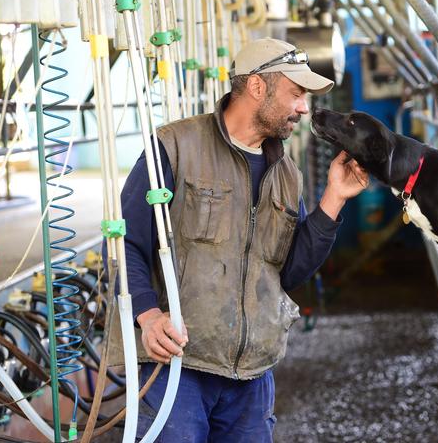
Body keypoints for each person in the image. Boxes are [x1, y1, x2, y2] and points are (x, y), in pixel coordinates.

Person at [121, 38, 368, 442]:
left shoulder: (286, 174)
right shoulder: (175, 147)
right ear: (257, 87)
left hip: (251, 374)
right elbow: (126, 242)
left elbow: (288, 271)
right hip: (179, 366)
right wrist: (147, 316)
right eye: (296, 93)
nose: (304, 108)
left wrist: (334, 197)